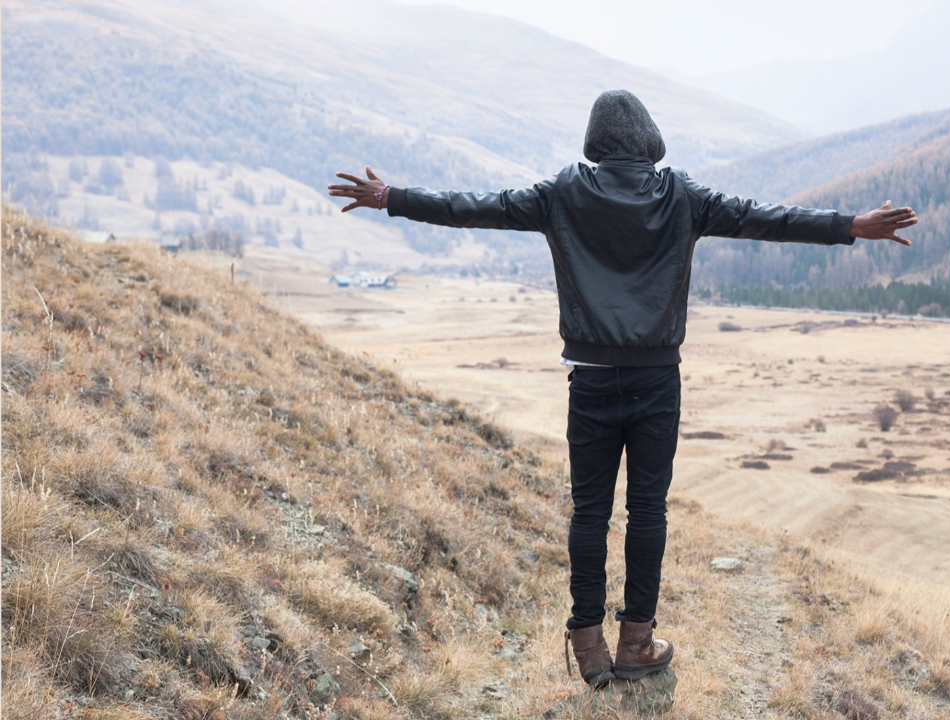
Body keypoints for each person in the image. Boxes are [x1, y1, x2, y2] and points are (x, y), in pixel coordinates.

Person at [328, 89, 916, 688]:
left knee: (589, 510)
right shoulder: (682, 198)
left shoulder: (561, 195)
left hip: (590, 381)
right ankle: (636, 642)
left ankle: (588, 642)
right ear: (650, 141)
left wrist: (390, 198)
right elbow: (767, 218)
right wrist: (851, 226)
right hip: (658, 380)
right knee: (647, 509)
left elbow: (473, 207)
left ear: (595, 142)